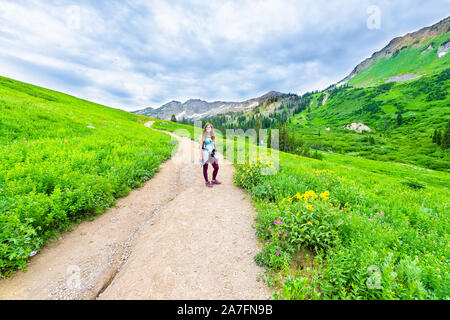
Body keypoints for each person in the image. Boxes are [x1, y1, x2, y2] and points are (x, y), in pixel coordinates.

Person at [199, 123, 221, 187]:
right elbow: (200, 147)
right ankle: (207, 182)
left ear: (211, 128)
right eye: (207, 127)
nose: (208, 128)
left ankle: (213, 180)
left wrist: (216, 151)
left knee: (216, 167)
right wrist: (201, 156)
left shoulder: (212, 136)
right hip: (205, 153)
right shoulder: (203, 136)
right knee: (205, 168)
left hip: (212, 154)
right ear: (205, 128)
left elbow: (214, 145)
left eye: (209, 127)